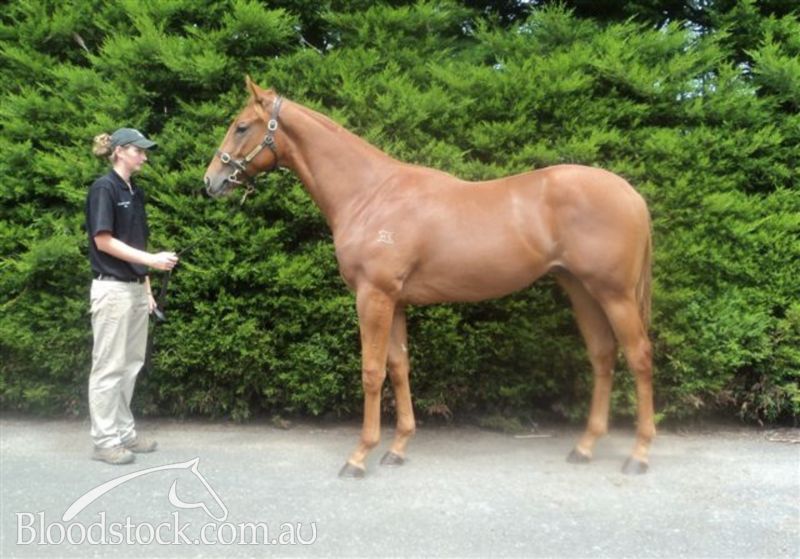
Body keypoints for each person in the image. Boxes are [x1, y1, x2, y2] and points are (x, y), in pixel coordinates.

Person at [85, 127, 178, 465]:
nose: (144, 156)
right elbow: (104, 241)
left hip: (136, 290)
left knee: (130, 366)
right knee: (108, 368)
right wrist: (152, 260)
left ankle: (124, 434)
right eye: (139, 150)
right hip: (112, 290)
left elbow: (135, 244)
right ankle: (105, 441)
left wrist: (147, 287)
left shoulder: (134, 192)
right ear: (120, 151)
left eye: (145, 151)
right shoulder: (104, 188)